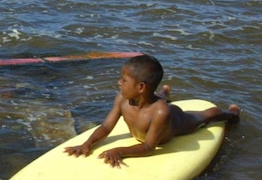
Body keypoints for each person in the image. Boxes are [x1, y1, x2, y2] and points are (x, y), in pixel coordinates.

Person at [64, 54, 239, 167]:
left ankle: (232, 114)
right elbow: (106, 127)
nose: (119, 83)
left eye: (124, 80)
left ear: (140, 87)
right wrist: (87, 144)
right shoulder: (122, 99)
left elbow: (149, 146)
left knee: (205, 116)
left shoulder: (161, 112)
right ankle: (163, 92)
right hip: (151, 100)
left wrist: (120, 151)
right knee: (156, 99)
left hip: (176, 123)